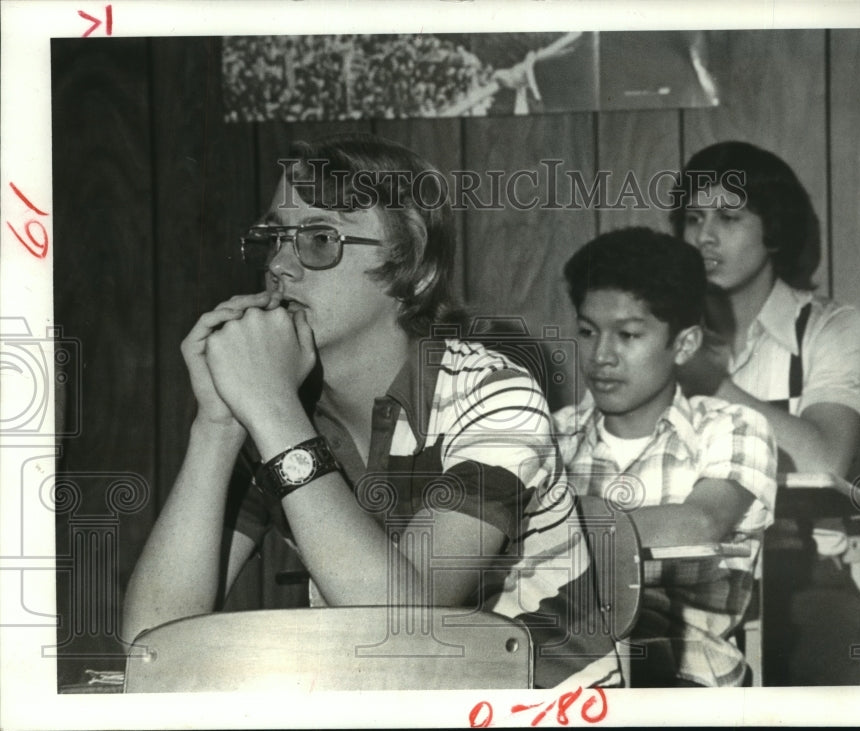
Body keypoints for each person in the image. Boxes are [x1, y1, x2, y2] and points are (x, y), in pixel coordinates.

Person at [122, 133, 621, 689]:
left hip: (537, 706)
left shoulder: (498, 396)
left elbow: (405, 636)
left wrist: (270, 409)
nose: (281, 265)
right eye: (274, 237)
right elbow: (151, 647)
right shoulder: (282, 410)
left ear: (414, 271)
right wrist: (216, 423)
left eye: (319, 238)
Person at [671, 140, 860, 684]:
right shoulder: (658, 329)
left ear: (775, 230)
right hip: (678, 575)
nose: (704, 236)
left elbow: (825, 456)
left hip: (799, 577)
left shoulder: (830, 327)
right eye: (693, 217)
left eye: (729, 216)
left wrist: (710, 381)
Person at [553, 227, 778, 687]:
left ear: (686, 344)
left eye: (629, 335)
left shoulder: (730, 427)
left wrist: (542, 531)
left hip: (685, 680)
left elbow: (697, 524)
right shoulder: (550, 436)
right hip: (560, 672)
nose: (601, 356)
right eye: (587, 331)